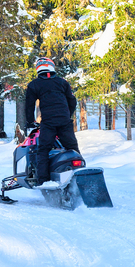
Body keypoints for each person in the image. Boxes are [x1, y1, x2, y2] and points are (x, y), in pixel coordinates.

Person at [25, 57, 80, 186]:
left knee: (43, 150)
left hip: (48, 123)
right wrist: (67, 115)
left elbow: (29, 105)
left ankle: (43, 182)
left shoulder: (34, 84)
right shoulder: (62, 82)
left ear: (38, 68)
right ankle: (80, 177)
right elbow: (72, 101)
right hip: (64, 122)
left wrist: (30, 121)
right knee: (73, 148)